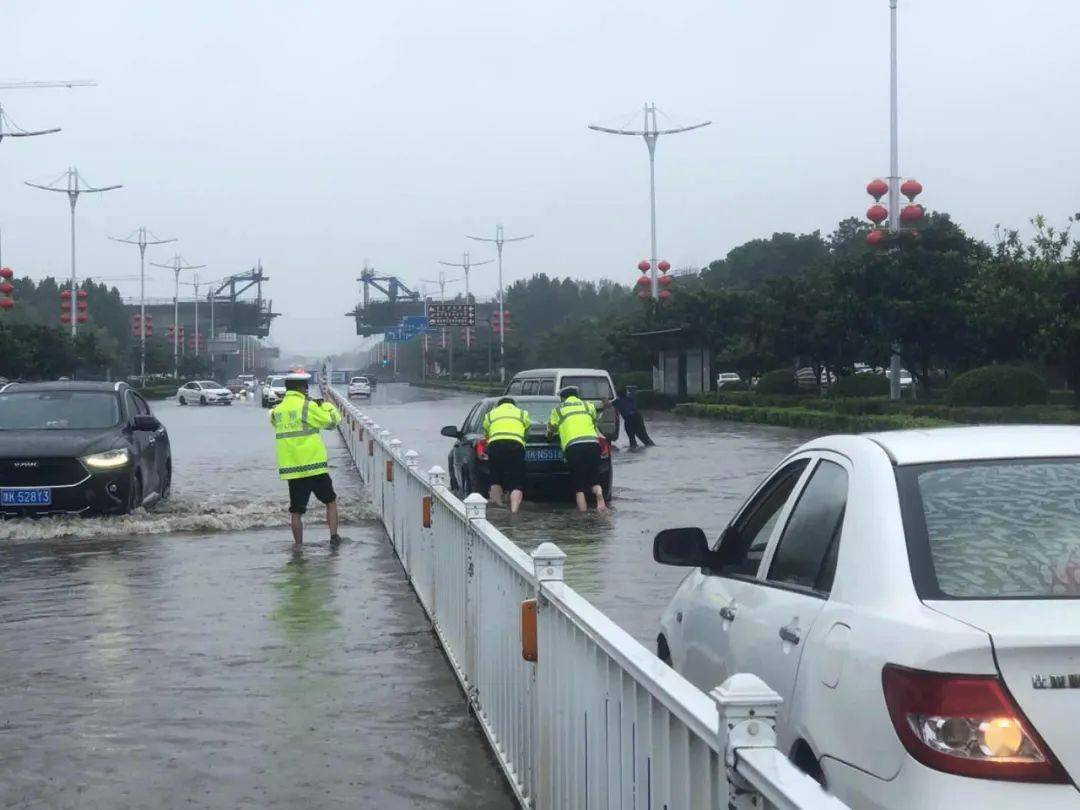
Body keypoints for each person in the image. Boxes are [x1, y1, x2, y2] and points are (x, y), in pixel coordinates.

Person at [269, 372, 345, 551]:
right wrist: (326, 405)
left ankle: (298, 546)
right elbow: (332, 422)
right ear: (302, 388)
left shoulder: (278, 410)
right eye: (306, 387)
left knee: (296, 511)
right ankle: (334, 537)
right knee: (330, 501)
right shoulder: (307, 406)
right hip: (315, 466)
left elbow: (273, 419)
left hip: (293, 470)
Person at [547, 386, 607, 513]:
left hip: (574, 447)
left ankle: (583, 514)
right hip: (593, 444)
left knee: (578, 485)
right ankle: (600, 498)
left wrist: (549, 436)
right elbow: (594, 422)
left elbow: (551, 429)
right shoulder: (588, 406)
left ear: (563, 398)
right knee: (594, 478)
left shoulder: (558, 410)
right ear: (577, 396)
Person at [481, 396, 531, 513]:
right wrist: (522, 441)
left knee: (495, 477)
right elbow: (527, 432)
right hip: (515, 446)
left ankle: (499, 507)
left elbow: (486, 433)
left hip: (495, 446)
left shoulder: (490, 414)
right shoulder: (522, 413)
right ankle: (514, 511)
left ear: (498, 405)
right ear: (514, 405)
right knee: (516, 481)